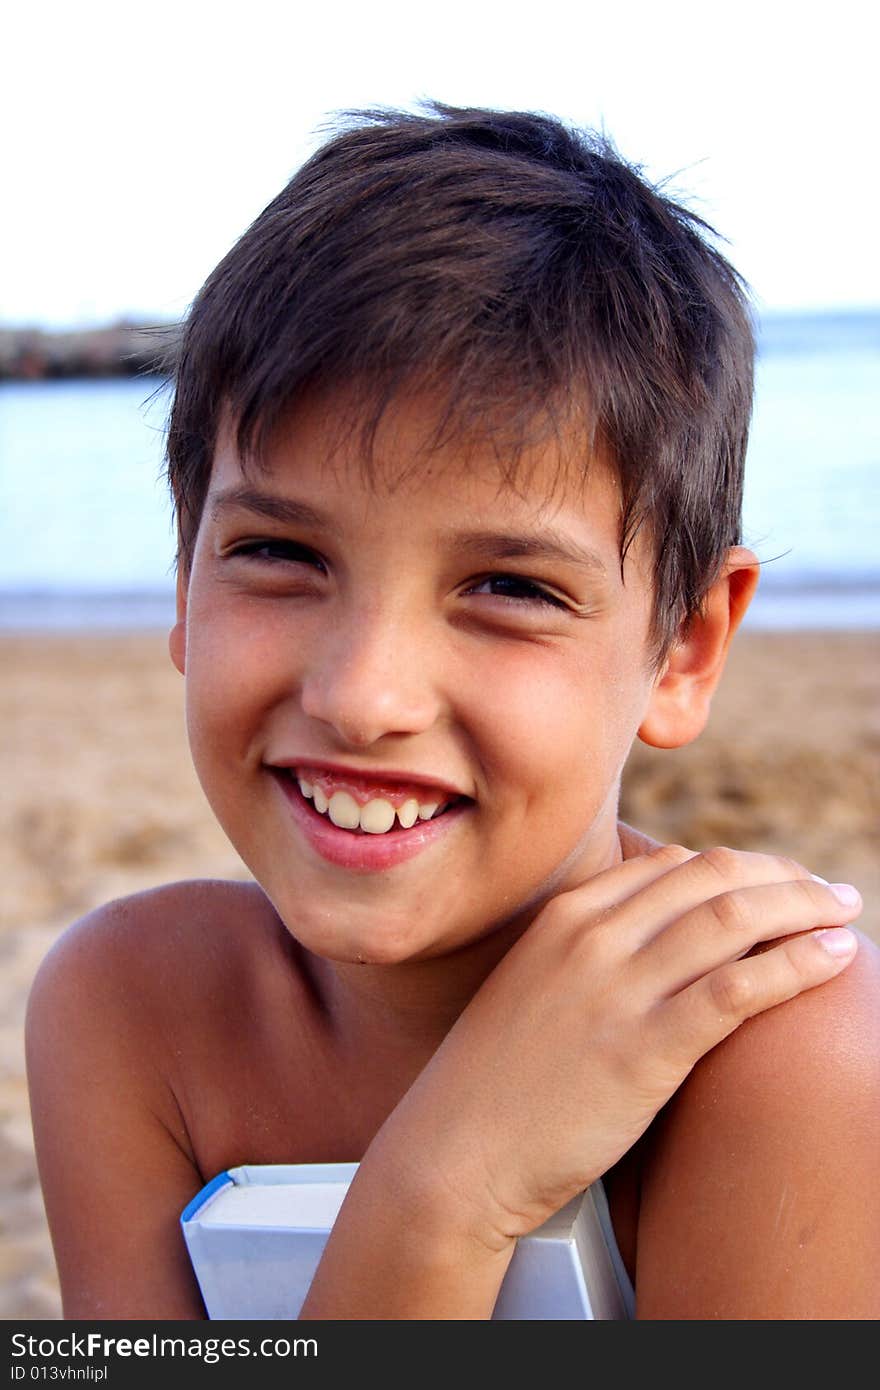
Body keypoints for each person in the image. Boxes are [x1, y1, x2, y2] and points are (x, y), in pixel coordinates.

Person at [26, 103, 880, 1321]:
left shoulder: (772, 1051)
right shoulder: (129, 1013)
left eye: (510, 587)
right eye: (277, 551)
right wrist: (448, 1187)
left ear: (685, 646)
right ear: (182, 577)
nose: (363, 696)